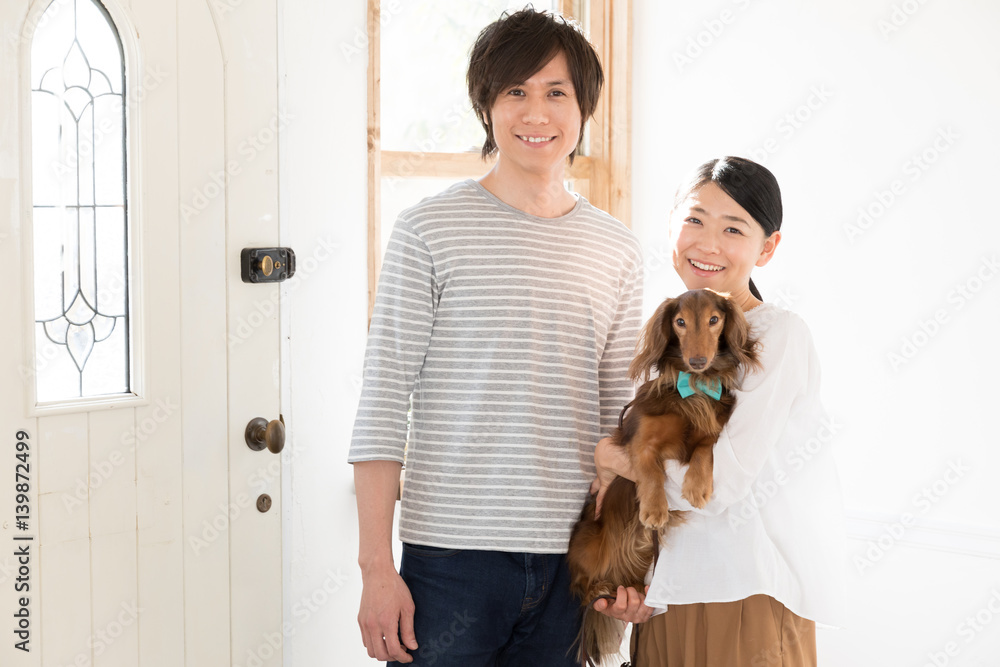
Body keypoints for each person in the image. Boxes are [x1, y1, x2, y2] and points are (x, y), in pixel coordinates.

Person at [348, 8, 649, 666]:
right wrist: (376, 567)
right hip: (449, 561)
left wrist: (628, 554)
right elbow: (382, 400)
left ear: (583, 108)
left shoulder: (618, 249)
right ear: (486, 106)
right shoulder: (427, 230)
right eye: (515, 91)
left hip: (574, 558)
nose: (535, 113)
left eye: (556, 92)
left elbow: (621, 421)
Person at [592, 156, 847, 666]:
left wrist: (614, 458)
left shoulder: (778, 336)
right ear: (671, 227)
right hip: (666, 599)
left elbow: (718, 486)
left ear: (767, 247)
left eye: (733, 228)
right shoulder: (670, 339)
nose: (707, 244)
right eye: (694, 220)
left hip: (746, 596)